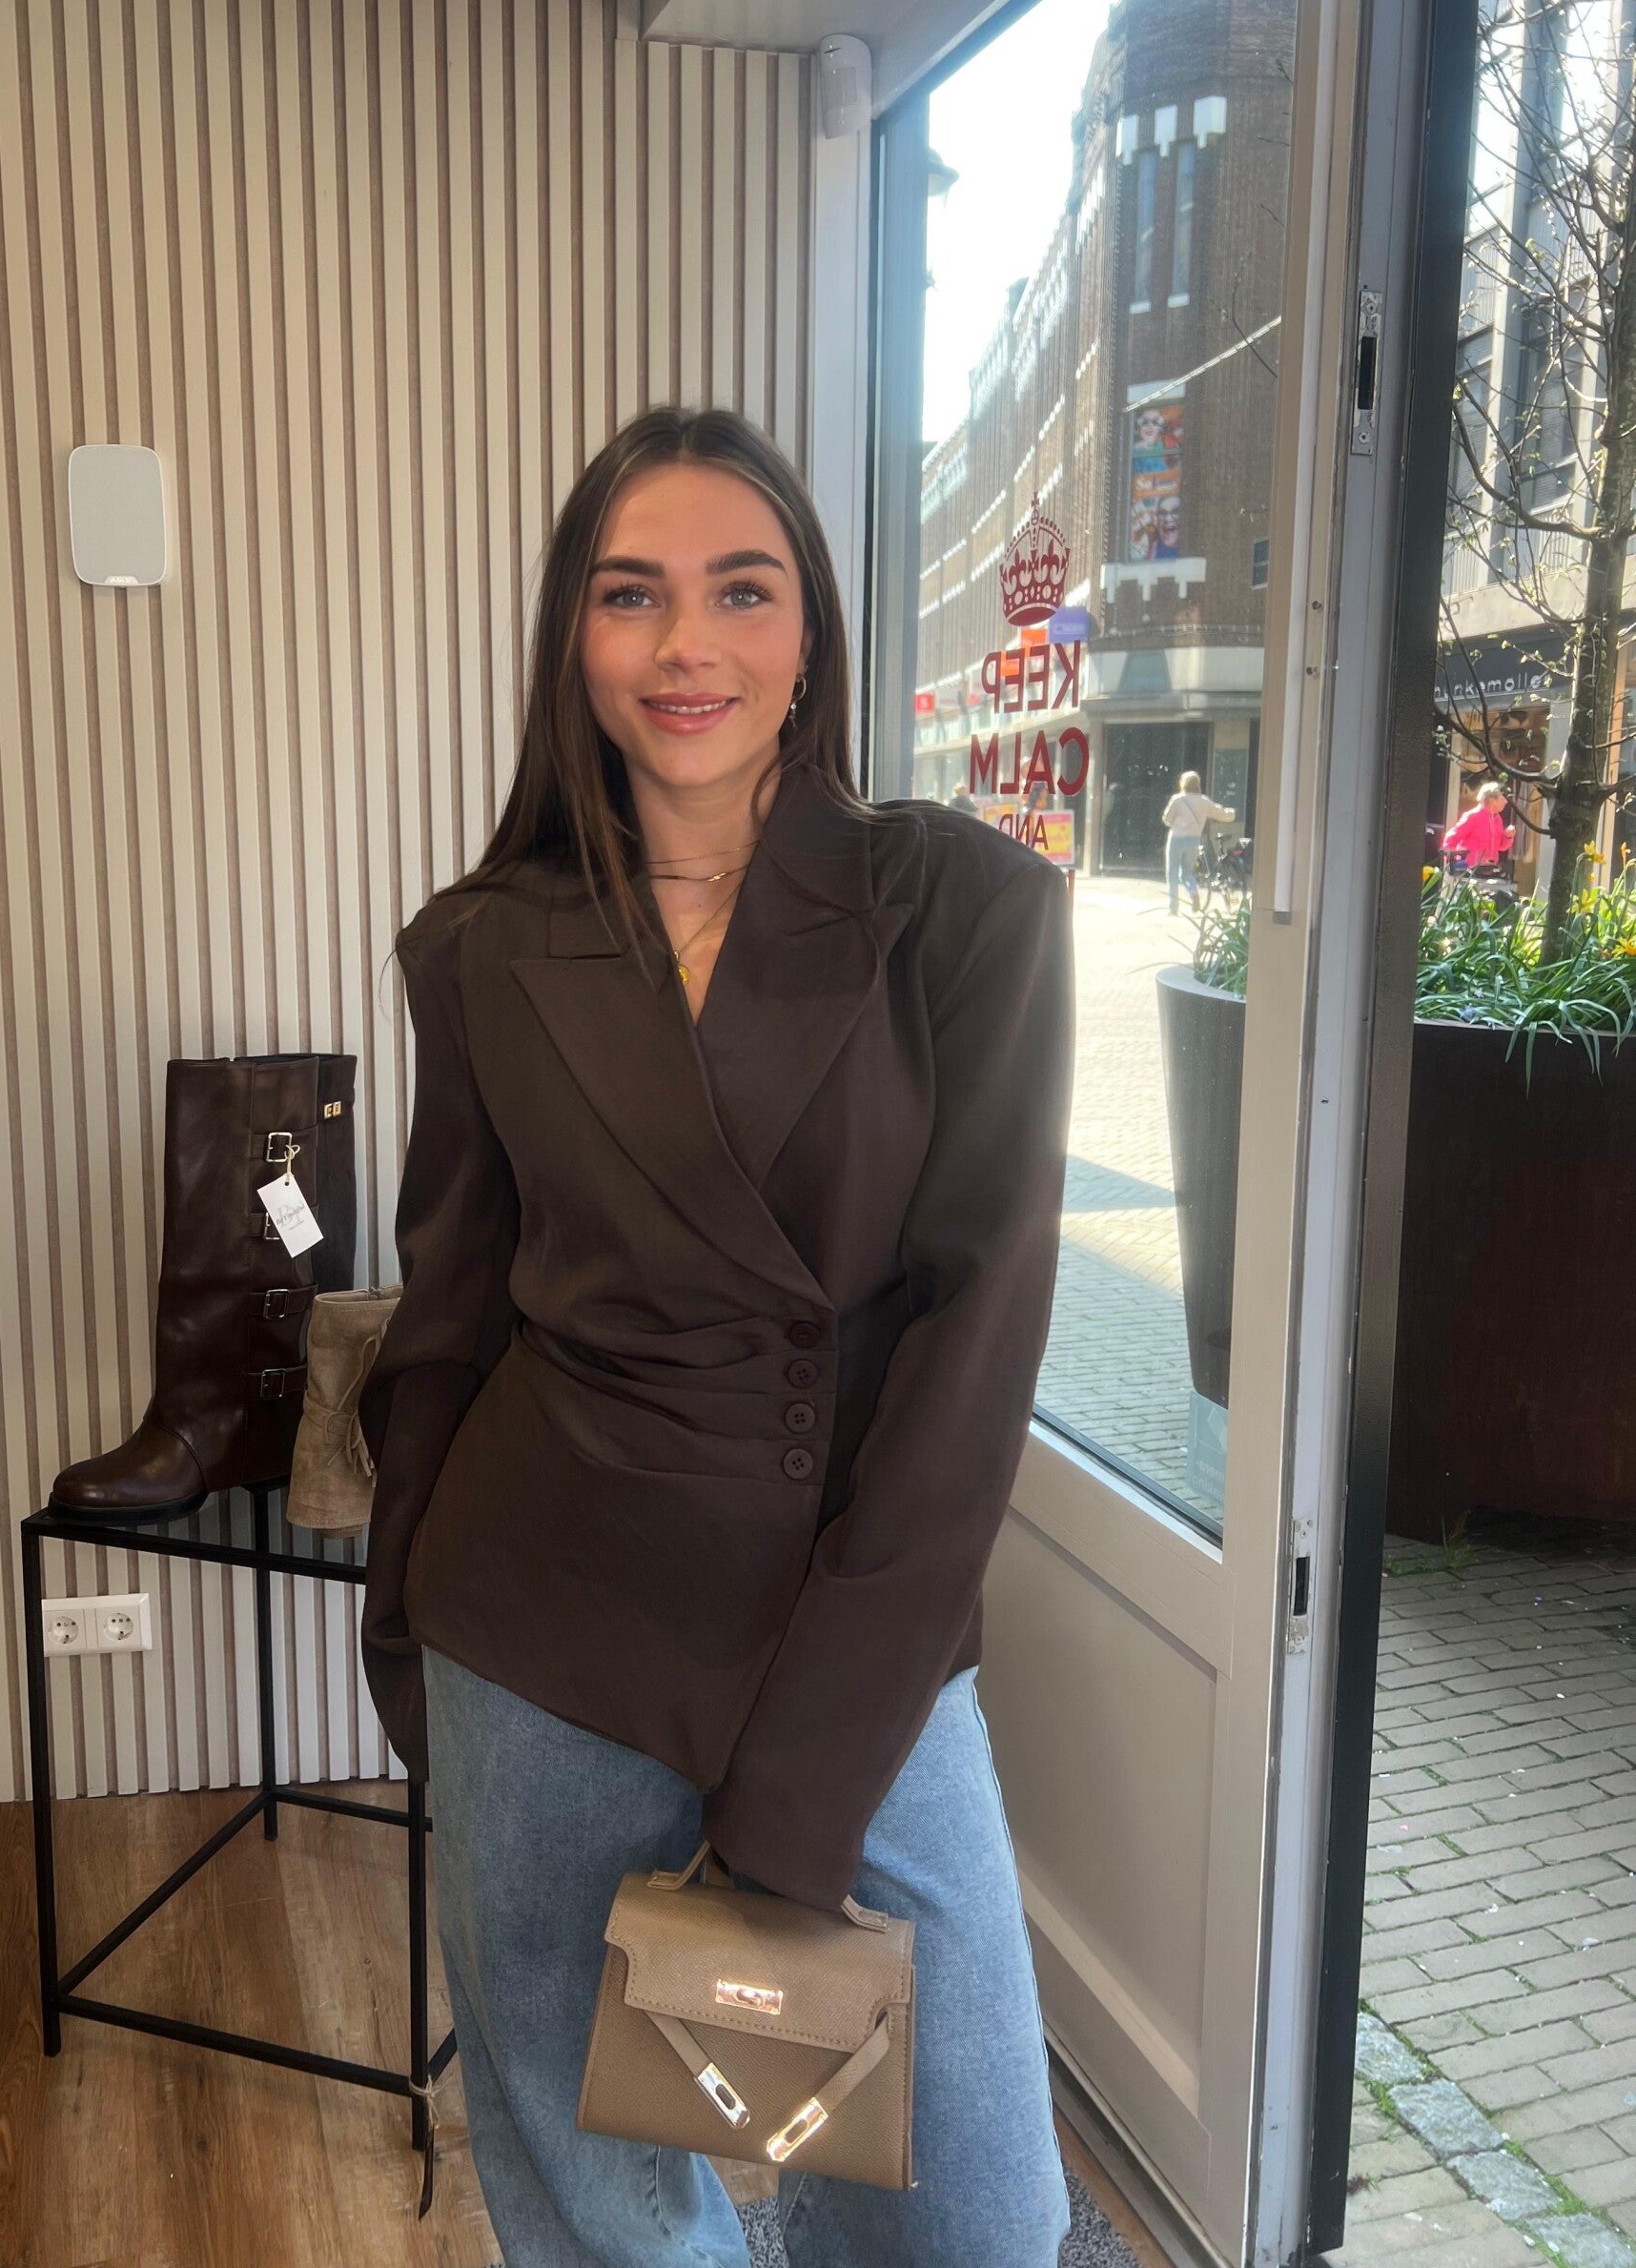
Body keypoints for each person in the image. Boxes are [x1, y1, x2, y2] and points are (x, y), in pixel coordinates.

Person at [359, 406, 1074, 2267]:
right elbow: (448, 1316)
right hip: (540, 1625)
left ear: (811, 634)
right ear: (575, 644)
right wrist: (406, 1624)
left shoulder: (963, 911)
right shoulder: (481, 949)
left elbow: (975, 1348)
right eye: (632, 595)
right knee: (607, 2214)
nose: (688, 645)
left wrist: (802, 1790)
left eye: (740, 590)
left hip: (849, 1631)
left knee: (973, 2216)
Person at [1160, 769, 1234, 913]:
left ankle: (1173, 907)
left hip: (1176, 839)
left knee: (1172, 873)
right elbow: (1219, 813)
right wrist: (1232, 814)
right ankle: (1193, 892)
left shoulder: (1177, 799)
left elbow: (1167, 819)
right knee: (1187, 873)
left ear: (1183, 783)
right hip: (1193, 840)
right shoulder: (1204, 801)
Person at [1442, 780, 1513, 875]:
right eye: (1502, 798)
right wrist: (1452, 863)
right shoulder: (1473, 816)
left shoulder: (1497, 819)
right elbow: (1452, 837)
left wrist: (1508, 836)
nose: (1505, 801)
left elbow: (1501, 847)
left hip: (1488, 869)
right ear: (1492, 800)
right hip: (1469, 870)